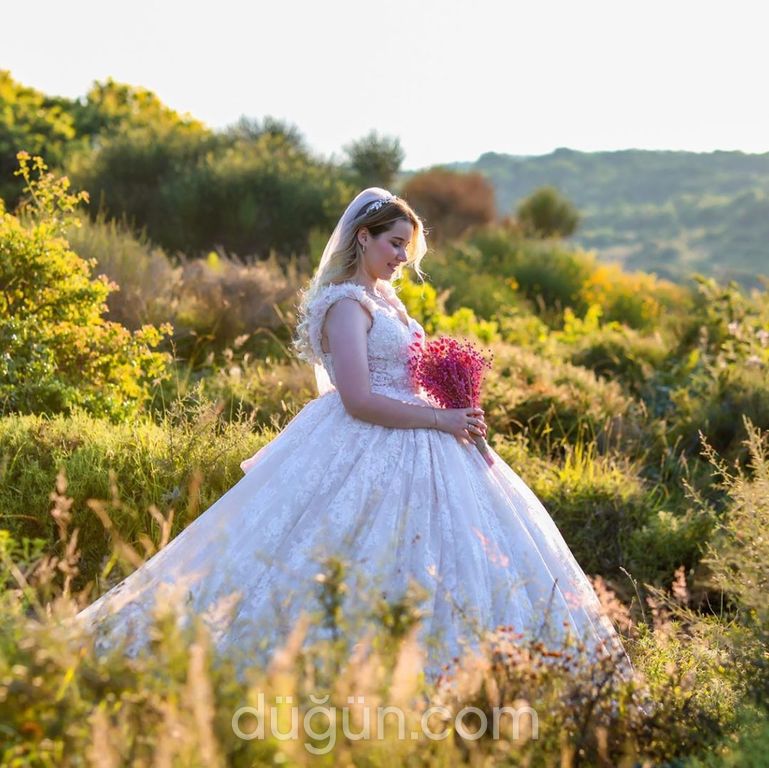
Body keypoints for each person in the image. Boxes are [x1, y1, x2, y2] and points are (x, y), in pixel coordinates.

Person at [75, 187, 634, 684]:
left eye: (406, 249)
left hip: (424, 435)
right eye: (393, 244)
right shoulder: (347, 304)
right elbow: (359, 399)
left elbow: (405, 375)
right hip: (365, 436)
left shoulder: (388, 300)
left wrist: (453, 401)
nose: (400, 258)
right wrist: (443, 419)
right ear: (362, 238)